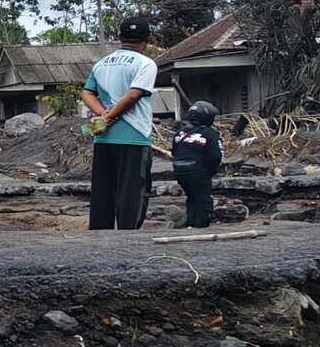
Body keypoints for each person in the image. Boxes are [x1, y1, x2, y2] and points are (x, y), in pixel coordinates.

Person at [81, 17, 160, 229]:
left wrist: (102, 114)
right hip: (134, 136)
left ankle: (99, 233)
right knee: (132, 191)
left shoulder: (101, 63)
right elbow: (134, 95)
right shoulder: (146, 63)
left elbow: (87, 92)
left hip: (103, 136)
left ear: (119, 37)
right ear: (146, 40)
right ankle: (128, 238)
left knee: (103, 190)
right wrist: (108, 116)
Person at [172, 99, 223, 228]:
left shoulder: (180, 133)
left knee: (192, 197)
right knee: (203, 198)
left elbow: (174, 151)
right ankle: (200, 225)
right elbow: (215, 157)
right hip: (198, 171)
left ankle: (191, 222)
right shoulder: (210, 134)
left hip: (179, 171)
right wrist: (210, 171)